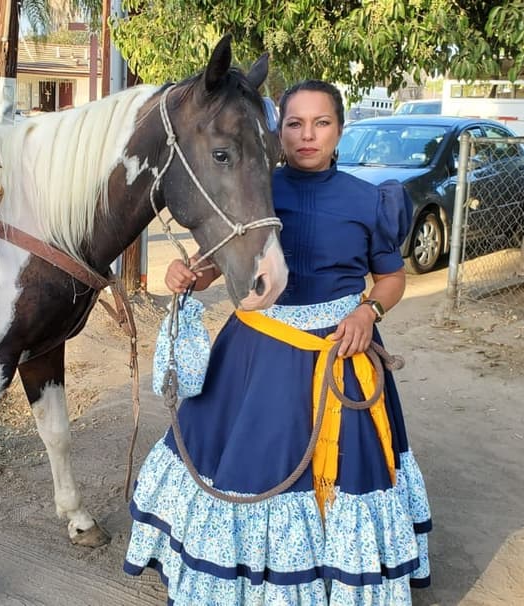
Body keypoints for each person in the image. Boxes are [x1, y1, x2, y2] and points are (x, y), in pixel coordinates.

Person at [124, 80, 431, 604]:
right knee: (242, 465)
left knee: (342, 481)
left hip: (340, 358)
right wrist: (187, 274)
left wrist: (369, 309)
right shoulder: (254, 188)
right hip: (255, 357)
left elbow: (392, 277)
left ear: (339, 128)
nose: (308, 135)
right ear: (276, 131)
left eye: (321, 123)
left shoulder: (369, 200)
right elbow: (218, 265)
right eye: (295, 124)